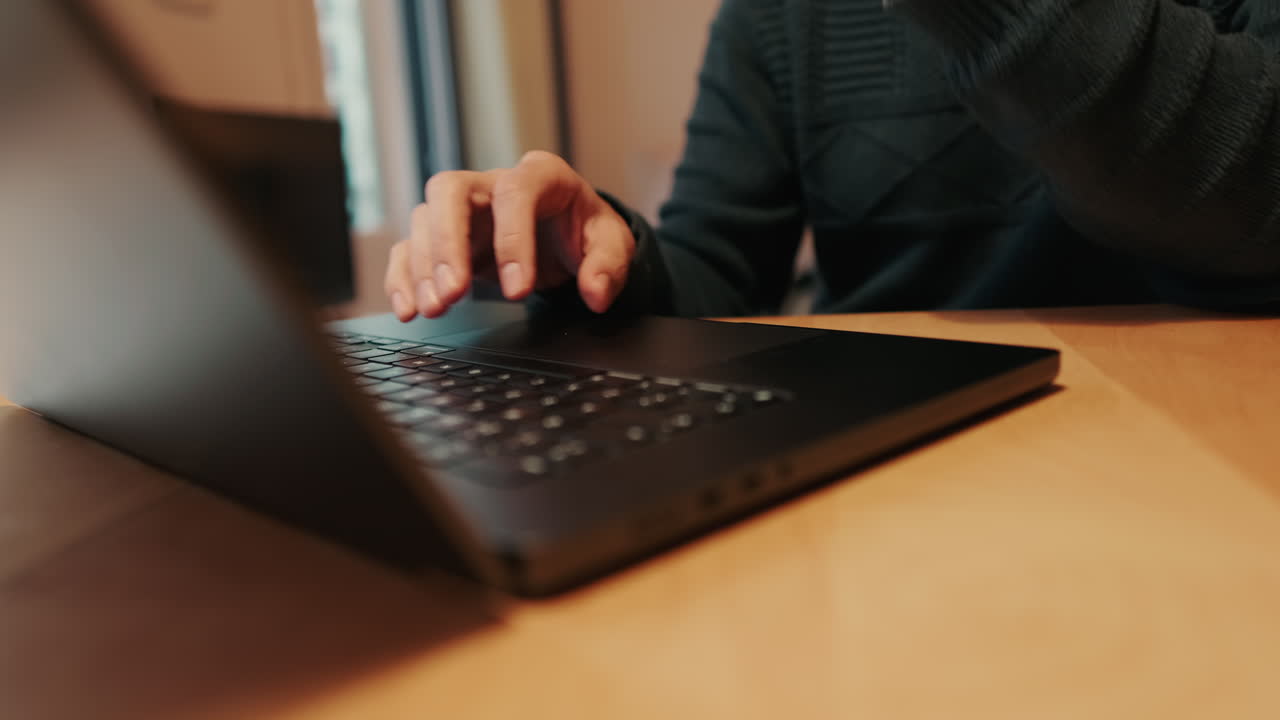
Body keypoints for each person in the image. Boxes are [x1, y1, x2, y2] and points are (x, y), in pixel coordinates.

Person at [384, 0, 1280, 322]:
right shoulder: (776, 14)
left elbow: (1256, 195)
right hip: (886, 484)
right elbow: (718, 272)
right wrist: (593, 252)